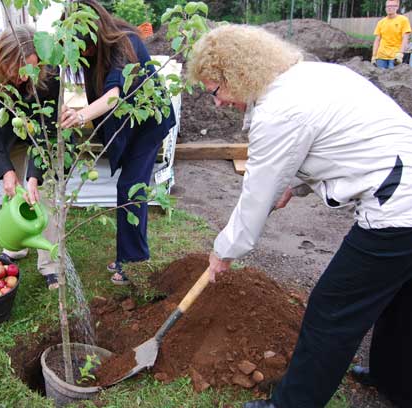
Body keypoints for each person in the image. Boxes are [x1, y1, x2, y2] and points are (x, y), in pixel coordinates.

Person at [188, 24, 412, 408]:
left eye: (216, 89)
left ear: (238, 74)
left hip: (399, 209)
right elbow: (337, 143)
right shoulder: (311, 77)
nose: (217, 102)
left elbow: (256, 195)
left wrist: (223, 250)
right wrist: (295, 185)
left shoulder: (279, 111)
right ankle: (394, 379)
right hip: (404, 190)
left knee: (331, 309)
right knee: (400, 298)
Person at [59, 0, 176, 286]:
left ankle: (133, 261)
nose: (82, 53)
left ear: (94, 32)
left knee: (131, 189)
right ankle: (128, 255)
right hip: (130, 125)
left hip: (147, 125)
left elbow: (114, 95)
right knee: (128, 188)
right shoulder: (99, 48)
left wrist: (81, 115)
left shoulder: (125, 42)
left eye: (82, 45)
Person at [0, 25, 60, 290]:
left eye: (30, 70)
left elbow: (47, 128)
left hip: (37, 136)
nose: (23, 77)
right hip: (5, 138)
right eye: (17, 70)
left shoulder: (49, 72)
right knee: (11, 193)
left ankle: (51, 265)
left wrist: (34, 175)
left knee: (41, 194)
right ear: (1, 59)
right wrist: (7, 171)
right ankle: (16, 246)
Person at [371, 0, 411, 69]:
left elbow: (405, 38)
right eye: (387, 6)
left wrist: (401, 53)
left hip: (395, 57)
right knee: (379, 77)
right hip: (381, 56)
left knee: (392, 77)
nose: (389, 8)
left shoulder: (403, 20)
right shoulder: (381, 22)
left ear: (397, 7)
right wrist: (374, 55)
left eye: (392, 6)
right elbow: (377, 40)